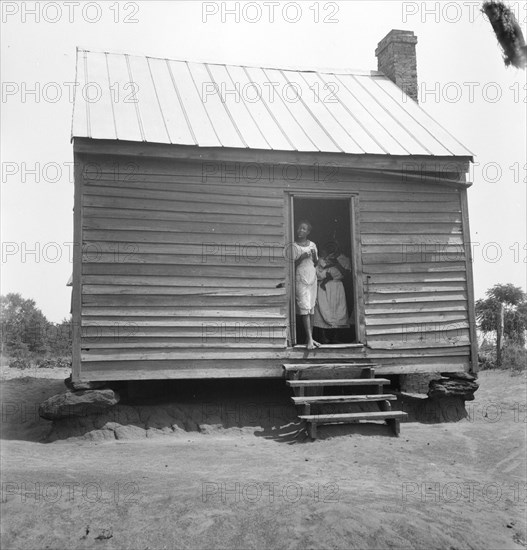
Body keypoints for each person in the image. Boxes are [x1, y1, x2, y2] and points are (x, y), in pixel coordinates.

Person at [314, 241, 351, 343]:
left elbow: (345, 273)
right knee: (322, 309)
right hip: (323, 287)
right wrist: (327, 275)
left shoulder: (344, 259)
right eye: (327, 248)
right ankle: (323, 336)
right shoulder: (320, 260)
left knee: (338, 310)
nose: (329, 250)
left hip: (336, 287)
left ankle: (336, 337)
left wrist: (336, 264)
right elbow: (318, 273)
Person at [292, 220, 320, 349]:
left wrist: (313, 256)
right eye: (299, 228)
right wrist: (302, 257)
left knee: (311, 307)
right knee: (304, 307)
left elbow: (315, 262)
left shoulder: (313, 244)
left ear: (308, 232)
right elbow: (292, 265)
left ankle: (312, 338)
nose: (300, 231)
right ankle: (308, 339)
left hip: (312, 276)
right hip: (300, 276)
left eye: (304, 229)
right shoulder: (294, 246)